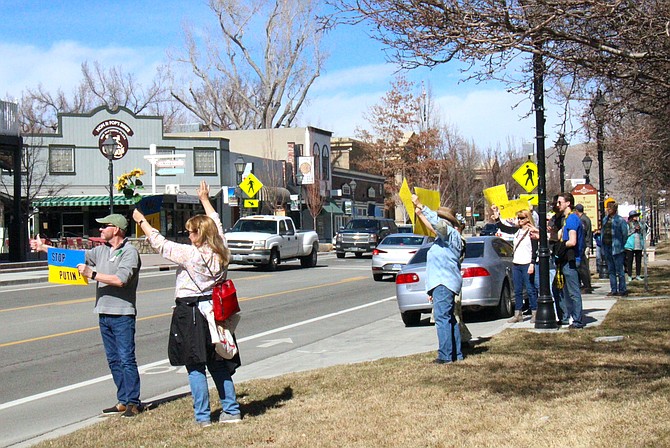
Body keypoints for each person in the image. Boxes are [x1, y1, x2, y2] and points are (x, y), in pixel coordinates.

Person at [132, 181, 241, 427]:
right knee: (219, 362)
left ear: (201, 234)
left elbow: (160, 243)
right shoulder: (222, 249)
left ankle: (203, 417)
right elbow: (217, 222)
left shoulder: (192, 255)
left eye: (192, 231)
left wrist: (142, 220)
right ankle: (231, 410)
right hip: (215, 312)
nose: (188, 235)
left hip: (191, 312)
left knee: (194, 365)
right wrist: (204, 198)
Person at [30, 214, 142, 417]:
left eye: (103, 227)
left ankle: (133, 402)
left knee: (126, 359)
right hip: (103, 312)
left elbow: (121, 280)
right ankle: (123, 400)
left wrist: (92, 274)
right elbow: (74, 255)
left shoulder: (130, 252)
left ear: (116, 229)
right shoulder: (101, 250)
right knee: (113, 360)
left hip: (122, 314)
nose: (99, 230)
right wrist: (44, 248)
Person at [412, 194, 463, 364]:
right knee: (449, 318)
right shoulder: (443, 239)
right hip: (440, 283)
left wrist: (422, 205)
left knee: (442, 319)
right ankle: (456, 354)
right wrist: (420, 214)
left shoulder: (450, 235)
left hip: (444, 283)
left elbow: (437, 225)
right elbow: (434, 228)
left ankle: (445, 356)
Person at [491, 206, 539, 323]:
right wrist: (497, 216)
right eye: (518, 218)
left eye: (522, 218)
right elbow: (504, 228)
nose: (519, 220)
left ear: (528, 218)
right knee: (517, 290)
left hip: (527, 263)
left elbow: (535, 249)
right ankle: (518, 314)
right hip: (516, 263)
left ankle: (535, 312)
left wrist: (532, 263)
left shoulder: (532, 232)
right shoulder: (517, 231)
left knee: (530, 289)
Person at [555, 192, 585, 329]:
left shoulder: (572, 219)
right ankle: (566, 317)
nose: (557, 205)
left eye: (559, 202)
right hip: (564, 261)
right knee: (561, 290)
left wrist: (561, 246)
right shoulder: (566, 219)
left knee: (573, 292)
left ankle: (577, 320)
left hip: (571, 260)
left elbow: (572, 241)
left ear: (568, 203)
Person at [601, 201, 628, 296]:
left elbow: (625, 234)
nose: (608, 210)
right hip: (607, 247)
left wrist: (621, 245)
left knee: (620, 270)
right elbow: (603, 232)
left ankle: (622, 289)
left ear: (614, 209)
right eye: (607, 208)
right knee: (611, 270)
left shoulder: (620, 220)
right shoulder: (605, 219)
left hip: (617, 249)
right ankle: (613, 290)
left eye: (610, 208)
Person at [574, 204, 593, 294]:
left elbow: (583, 232)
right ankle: (585, 285)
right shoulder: (586, 218)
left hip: (584, 245)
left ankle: (587, 286)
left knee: (583, 267)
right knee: (583, 266)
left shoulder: (583, 220)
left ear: (577, 211)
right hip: (585, 244)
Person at [625, 210, 646, 281]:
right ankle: (629, 275)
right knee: (629, 261)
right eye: (635, 216)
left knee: (638, 261)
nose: (636, 217)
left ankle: (638, 275)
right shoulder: (628, 224)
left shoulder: (639, 223)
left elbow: (643, 232)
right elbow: (626, 233)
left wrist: (641, 228)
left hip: (638, 245)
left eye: (637, 216)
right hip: (630, 245)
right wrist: (634, 229)